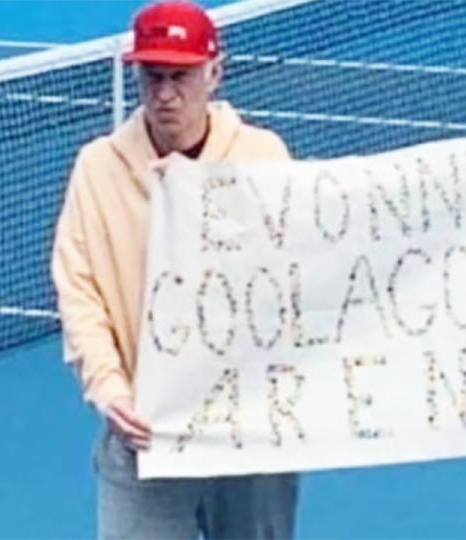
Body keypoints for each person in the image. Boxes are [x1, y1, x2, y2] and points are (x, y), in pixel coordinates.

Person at [51, 1, 298, 539]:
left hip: (249, 439)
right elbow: (79, 292)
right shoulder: (97, 169)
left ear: (215, 72)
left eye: (180, 76)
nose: (165, 93)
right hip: (145, 437)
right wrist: (110, 389)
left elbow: (299, 277)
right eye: (152, 75)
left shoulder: (264, 157)